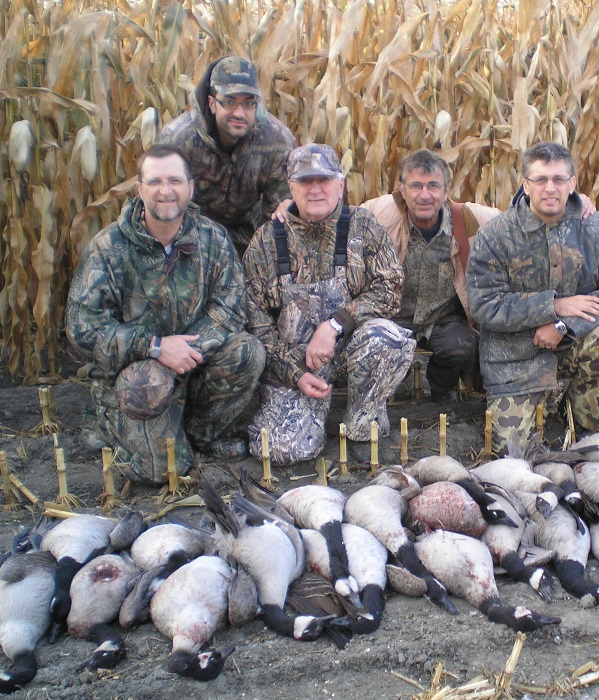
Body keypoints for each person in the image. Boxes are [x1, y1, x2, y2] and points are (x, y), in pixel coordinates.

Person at [66, 145, 266, 485]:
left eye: (175, 181)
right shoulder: (108, 247)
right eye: (155, 182)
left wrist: (183, 353)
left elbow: (230, 310)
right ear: (139, 189)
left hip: (194, 361)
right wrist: (154, 347)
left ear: (191, 187)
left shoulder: (213, 239)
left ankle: (198, 434)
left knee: (248, 352)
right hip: (140, 374)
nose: (165, 190)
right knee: (161, 472)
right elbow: (82, 329)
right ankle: (106, 420)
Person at [361, 149, 599, 402]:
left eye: (433, 186)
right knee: (378, 345)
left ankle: (442, 390)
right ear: (401, 188)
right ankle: (389, 386)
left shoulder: (471, 219)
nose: (425, 195)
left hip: (442, 319)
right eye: (416, 186)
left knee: (462, 348)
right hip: (394, 316)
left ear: (446, 190)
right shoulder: (376, 215)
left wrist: (571, 202)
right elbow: (343, 219)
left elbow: (520, 216)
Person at [244, 143, 415, 466]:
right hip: (298, 363)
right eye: (305, 181)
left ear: (340, 184)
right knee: (282, 451)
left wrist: (335, 324)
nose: (315, 189)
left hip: (352, 350)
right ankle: (307, 416)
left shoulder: (363, 226)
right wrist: (294, 373)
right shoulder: (266, 241)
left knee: (387, 338)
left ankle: (362, 422)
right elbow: (257, 323)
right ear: (291, 187)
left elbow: (390, 289)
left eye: (323, 180)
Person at [466, 141, 599, 456]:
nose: (550, 188)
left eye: (559, 179)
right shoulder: (495, 235)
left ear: (572, 184)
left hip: (572, 343)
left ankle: (578, 416)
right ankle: (536, 402)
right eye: (541, 180)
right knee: (514, 454)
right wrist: (553, 305)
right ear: (525, 185)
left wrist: (563, 324)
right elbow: (484, 305)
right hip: (515, 359)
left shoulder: (598, 229)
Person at [158, 55, 297, 256]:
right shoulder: (178, 139)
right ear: (212, 103)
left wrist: (263, 255)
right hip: (190, 237)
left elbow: (280, 210)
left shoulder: (277, 140)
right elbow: (160, 202)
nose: (239, 113)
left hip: (250, 237)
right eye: (230, 102)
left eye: (248, 103)